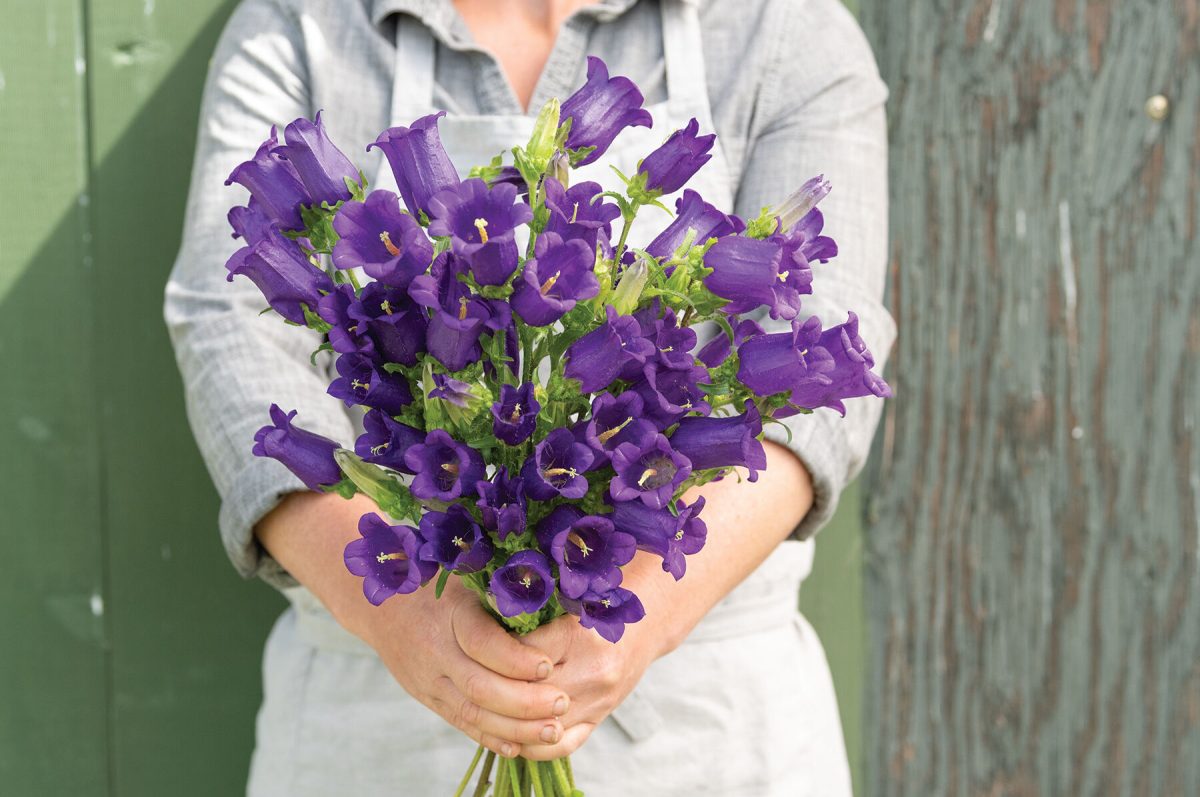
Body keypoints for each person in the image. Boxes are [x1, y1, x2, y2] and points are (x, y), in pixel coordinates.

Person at [164, 0, 894, 794]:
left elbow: (832, 328)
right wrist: (398, 616)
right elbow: (225, 325)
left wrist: (643, 612)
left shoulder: (782, 25)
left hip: (711, 724)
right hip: (376, 713)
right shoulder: (301, 21)